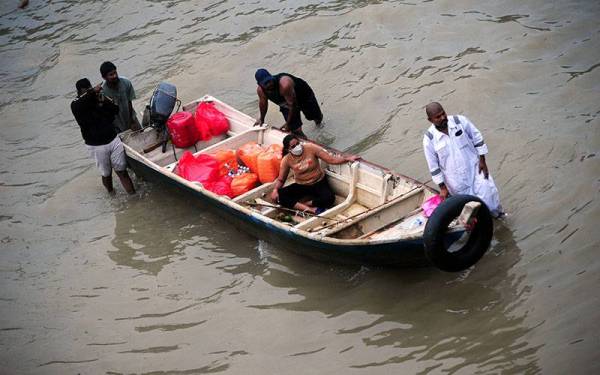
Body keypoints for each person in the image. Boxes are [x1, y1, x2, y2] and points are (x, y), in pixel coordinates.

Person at [422, 102, 503, 217]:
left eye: (443, 113)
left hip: (476, 170)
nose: (443, 117)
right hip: (456, 182)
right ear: (430, 120)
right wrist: (443, 188)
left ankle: (499, 217)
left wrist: (482, 160)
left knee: (490, 198)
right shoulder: (429, 139)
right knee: (471, 211)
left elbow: (477, 137)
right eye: (438, 117)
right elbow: (433, 166)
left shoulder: (459, 121)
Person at [71, 78, 135, 195]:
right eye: (87, 90)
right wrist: (91, 93)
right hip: (96, 145)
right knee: (106, 173)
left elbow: (114, 110)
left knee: (122, 170)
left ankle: (132, 195)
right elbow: (80, 104)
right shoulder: (76, 105)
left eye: (90, 89)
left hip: (112, 139)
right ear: (80, 92)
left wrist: (103, 100)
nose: (91, 92)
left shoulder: (97, 98)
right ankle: (111, 193)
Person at [271, 134, 359, 215]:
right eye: (293, 146)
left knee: (329, 198)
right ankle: (311, 210)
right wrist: (275, 190)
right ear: (288, 150)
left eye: (298, 143)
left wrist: (347, 158)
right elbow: (281, 179)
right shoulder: (286, 160)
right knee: (279, 196)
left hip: (319, 182)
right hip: (302, 185)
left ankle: (303, 204)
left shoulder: (311, 148)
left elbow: (331, 159)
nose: (297, 147)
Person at [254, 69, 323, 139]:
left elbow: (293, 105)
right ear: (260, 84)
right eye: (265, 83)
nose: (269, 84)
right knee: (295, 130)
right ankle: (306, 143)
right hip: (286, 103)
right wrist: (261, 119)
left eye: (269, 81)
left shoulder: (284, 84)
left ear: (272, 77)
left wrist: (288, 123)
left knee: (315, 117)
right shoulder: (261, 91)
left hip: (303, 96)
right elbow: (263, 104)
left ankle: (320, 127)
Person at [100, 61, 141, 132]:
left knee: (142, 136)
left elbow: (129, 101)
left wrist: (132, 120)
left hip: (131, 117)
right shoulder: (103, 92)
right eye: (111, 74)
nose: (114, 76)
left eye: (115, 73)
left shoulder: (126, 83)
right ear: (104, 77)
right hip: (117, 125)